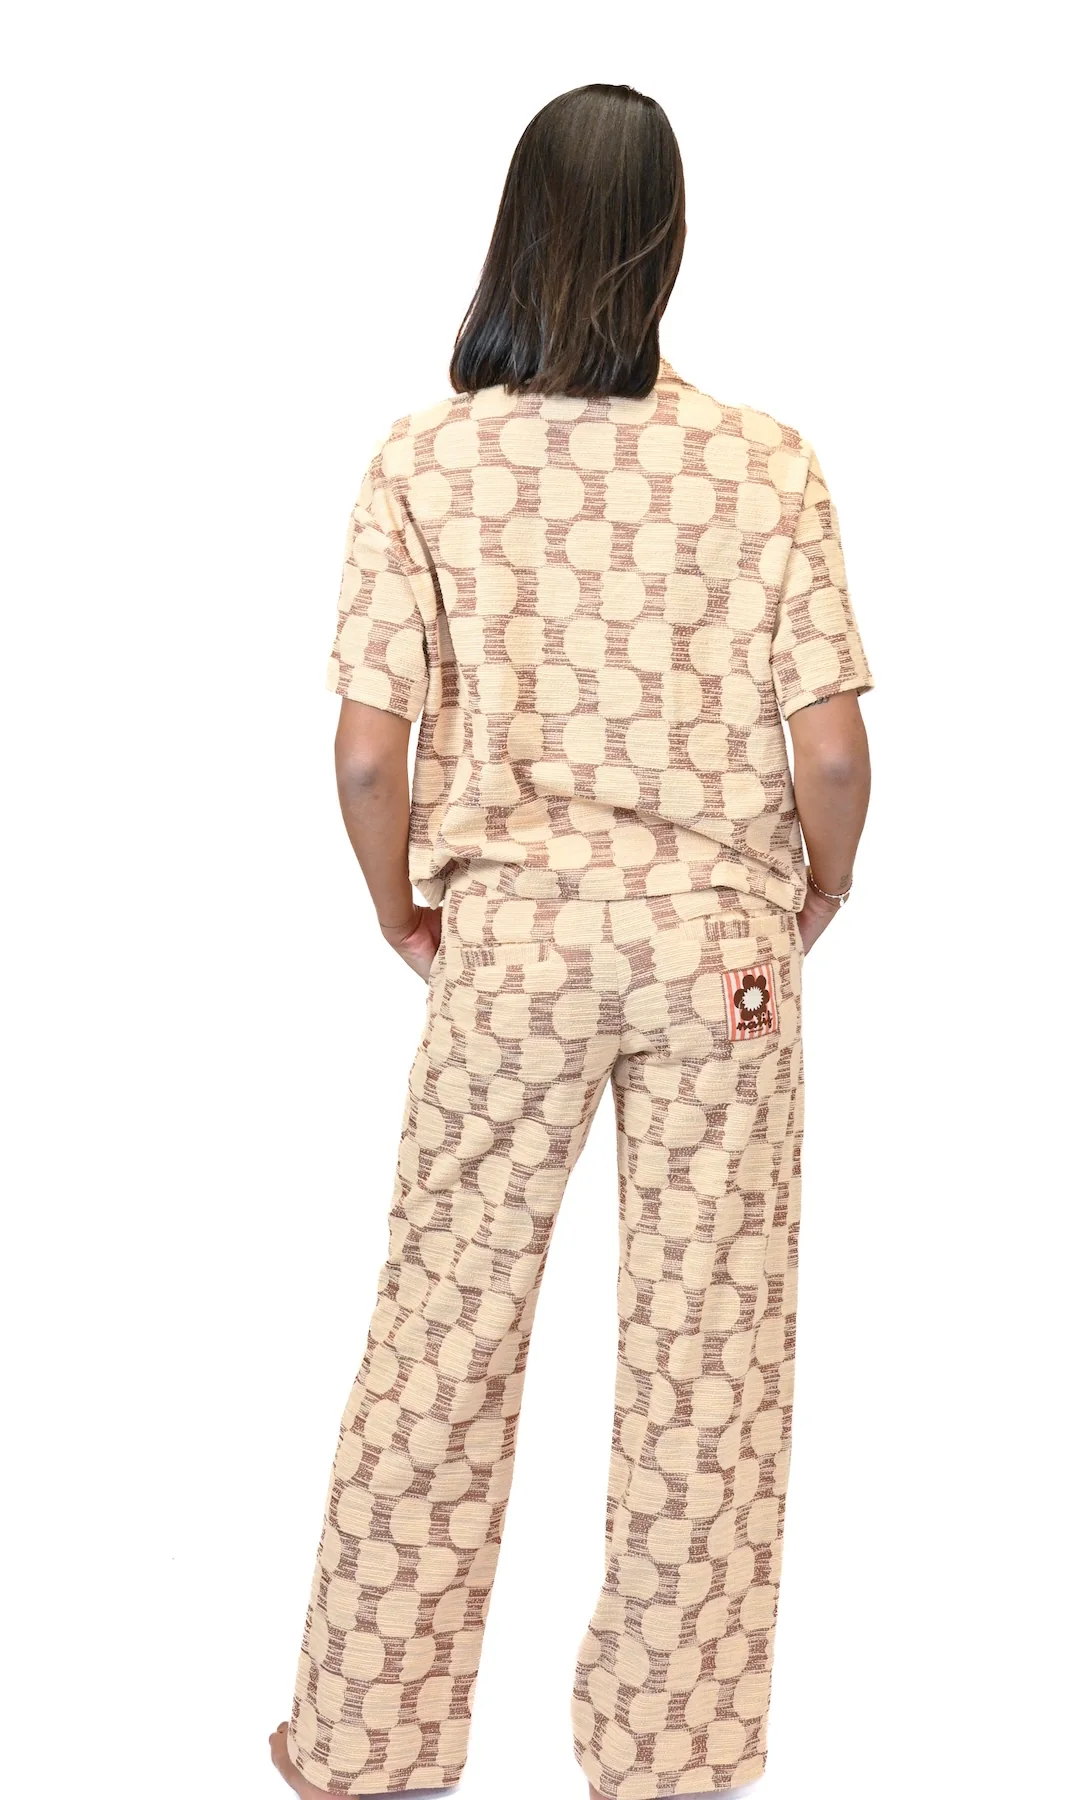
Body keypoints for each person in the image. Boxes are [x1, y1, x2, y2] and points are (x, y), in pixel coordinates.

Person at [270, 79, 873, 1800]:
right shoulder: (766, 462)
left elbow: (368, 753)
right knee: (708, 1361)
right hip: (719, 953)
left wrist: (401, 903)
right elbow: (832, 752)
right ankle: (669, 1757)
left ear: (514, 231)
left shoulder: (423, 461)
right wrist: (817, 889)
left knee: (439, 1339)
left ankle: (367, 1740)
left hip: (510, 951)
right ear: (669, 244)